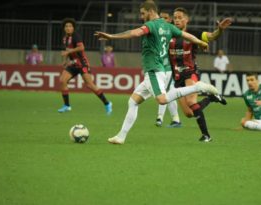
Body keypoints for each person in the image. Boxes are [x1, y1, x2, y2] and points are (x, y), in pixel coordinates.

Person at [94, 1, 218, 144]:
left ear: (151, 11)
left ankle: (198, 87)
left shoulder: (151, 25)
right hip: (162, 71)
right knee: (133, 102)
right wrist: (201, 42)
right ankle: (121, 137)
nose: (141, 17)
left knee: (162, 99)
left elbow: (135, 33)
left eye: (142, 13)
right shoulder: (168, 26)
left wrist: (112, 37)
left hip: (154, 70)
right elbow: (186, 35)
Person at [169, 7, 232, 142]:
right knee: (189, 113)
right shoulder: (169, 35)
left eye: (180, 17)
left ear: (187, 20)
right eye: (175, 17)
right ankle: (211, 98)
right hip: (177, 77)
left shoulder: (194, 34)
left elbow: (212, 36)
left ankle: (206, 136)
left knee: (191, 101)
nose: (177, 20)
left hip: (190, 73)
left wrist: (220, 29)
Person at [58, 18, 113, 115]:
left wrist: (68, 52)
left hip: (82, 63)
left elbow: (81, 47)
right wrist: (65, 61)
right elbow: (67, 50)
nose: (68, 28)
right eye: (66, 26)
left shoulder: (76, 36)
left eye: (70, 26)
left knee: (90, 85)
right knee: (63, 80)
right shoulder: (65, 38)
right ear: (64, 28)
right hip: (73, 64)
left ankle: (107, 103)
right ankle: (67, 105)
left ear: (73, 28)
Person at [155, 9, 182, 128]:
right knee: (168, 92)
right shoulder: (160, 31)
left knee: (164, 92)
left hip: (170, 68)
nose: (162, 20)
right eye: (161, 17)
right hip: (162, 67)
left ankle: (160, 117)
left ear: (170, 20)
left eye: (165, 18)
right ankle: (175, 119)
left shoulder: (172, 31)